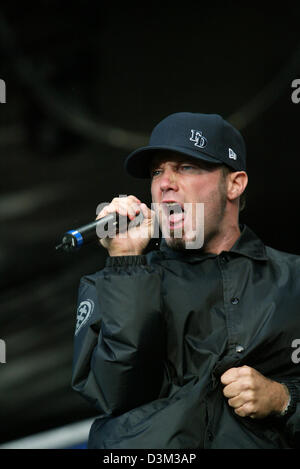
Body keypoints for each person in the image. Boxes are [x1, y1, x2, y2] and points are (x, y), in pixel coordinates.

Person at [71, 112, 300, 449]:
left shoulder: (293, 280)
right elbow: (113, 392)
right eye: (157, 171)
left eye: (187, 167)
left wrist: (283, 399)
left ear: (234, 184)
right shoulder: (120, 279)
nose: (165, 183)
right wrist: (125, 262)